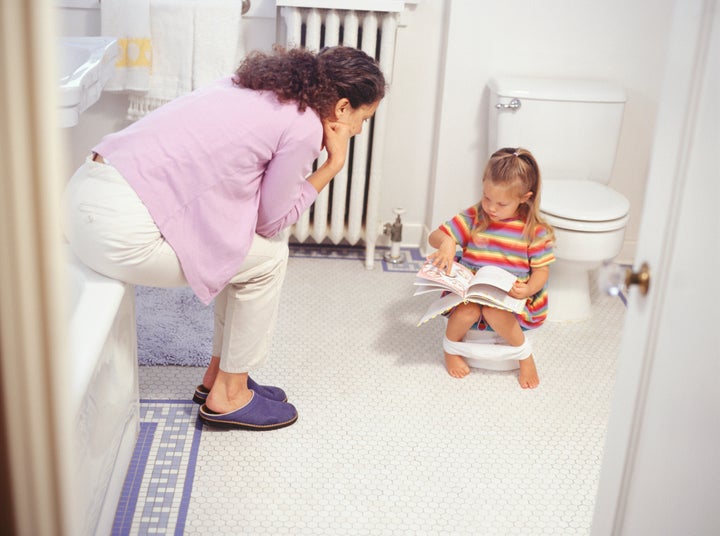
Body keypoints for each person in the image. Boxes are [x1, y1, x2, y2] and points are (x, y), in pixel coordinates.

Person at [63, 46, 386, 430]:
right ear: (344, 107)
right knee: (269, 258)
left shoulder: (252, 87)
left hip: (84, 194)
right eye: (363, 119)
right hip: (116, 230)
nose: (359, 131)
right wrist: (333, 165)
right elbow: (271, 221)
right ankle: (229, 396)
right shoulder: (304, 127)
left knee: (248, 250)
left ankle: (220, 375)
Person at [426, 147, 555, 388]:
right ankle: (451, 350)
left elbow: (541, 273)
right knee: (467, 313)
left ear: (524, 198)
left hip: (511, 298)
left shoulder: (534, 230)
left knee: (494, 312)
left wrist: (527, 290)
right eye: (486, 197)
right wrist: (446, 242)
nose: (491, 208)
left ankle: (524, 356)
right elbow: (434, 236)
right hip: (473, 292)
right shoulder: (476, 216)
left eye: (501, 203)